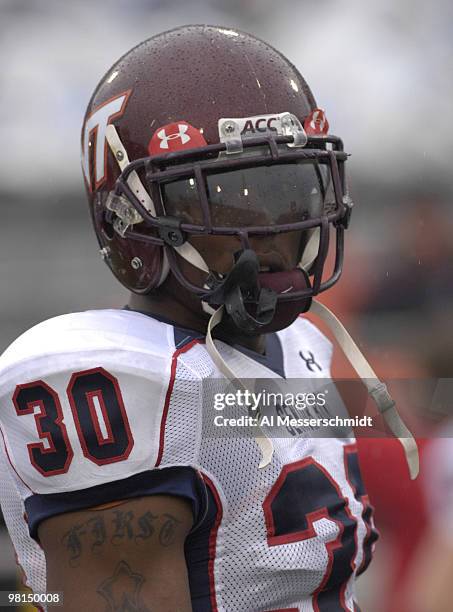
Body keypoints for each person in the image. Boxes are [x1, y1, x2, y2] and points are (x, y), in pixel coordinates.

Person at [0, 25, 417, 612]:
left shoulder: (303, 342)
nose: (272, 231)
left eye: (288, 190)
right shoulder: (117, 379)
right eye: (228, 198)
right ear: (133, 221)